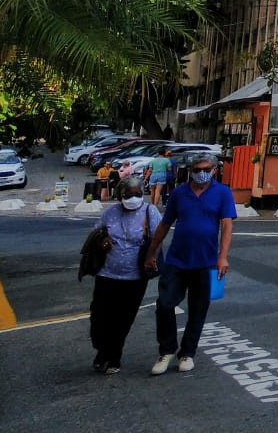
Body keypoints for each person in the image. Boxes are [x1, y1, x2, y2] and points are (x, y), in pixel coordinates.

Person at [142, 153, 235, 375]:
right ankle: (167, 350)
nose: (200, 173)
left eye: (205, 168)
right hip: (177, 259)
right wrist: (151, 252)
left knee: (198, 309)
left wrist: (223, 256)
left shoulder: (222, 193)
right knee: (164, 304)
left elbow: (227, 226)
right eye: (196, 169)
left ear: (213, 170)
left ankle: (187, 353)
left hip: (205, 262)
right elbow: (165, 224)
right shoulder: (179, 193)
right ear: (190, 170)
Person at [87, 177, 163, 375]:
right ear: (120, 195)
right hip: (107, 274)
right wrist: (103, 240)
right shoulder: (111, 212)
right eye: (129, 194)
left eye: (138, 193)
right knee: (98, 316)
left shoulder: (149, 211)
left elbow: (158, 237)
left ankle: (113, 357)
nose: (134, 197)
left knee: (122, 319)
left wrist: (151, 256)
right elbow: (97, 232)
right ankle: (102, 348)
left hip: (134, 277)